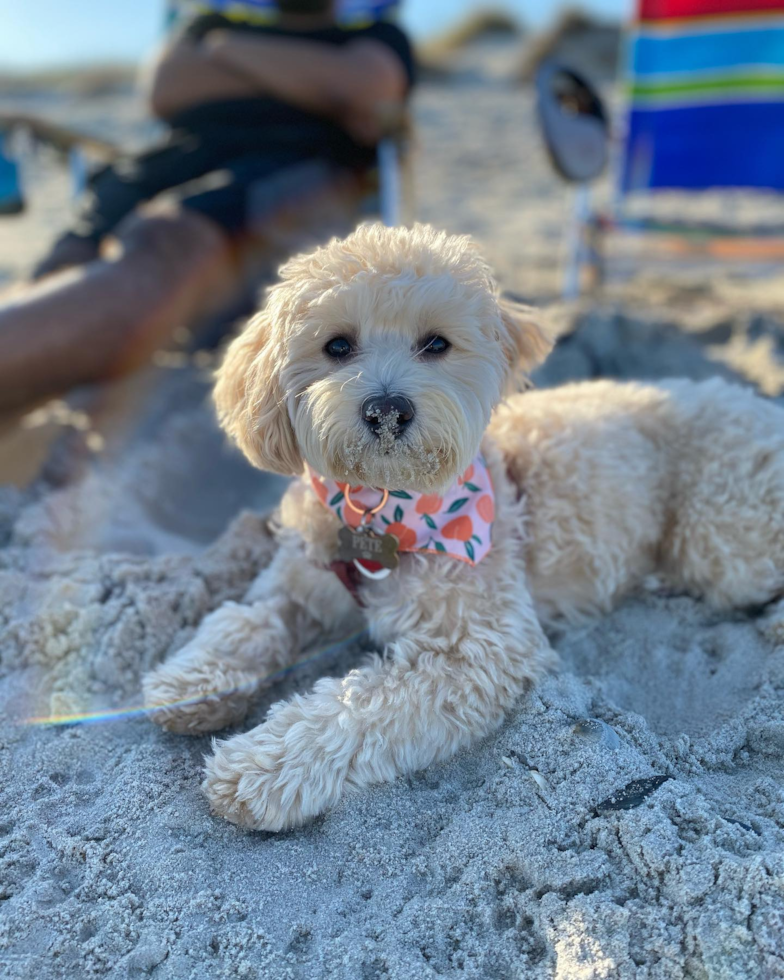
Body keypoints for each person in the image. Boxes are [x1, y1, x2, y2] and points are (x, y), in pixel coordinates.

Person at [0, 0, 413, 412]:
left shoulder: (370, 35)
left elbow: (367, 88)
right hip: (151, 182)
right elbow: (166, 86)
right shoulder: (213, 24)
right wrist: (314, 81)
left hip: (273, 195)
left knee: (167, 249)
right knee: (61, 269)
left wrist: (226, 48)